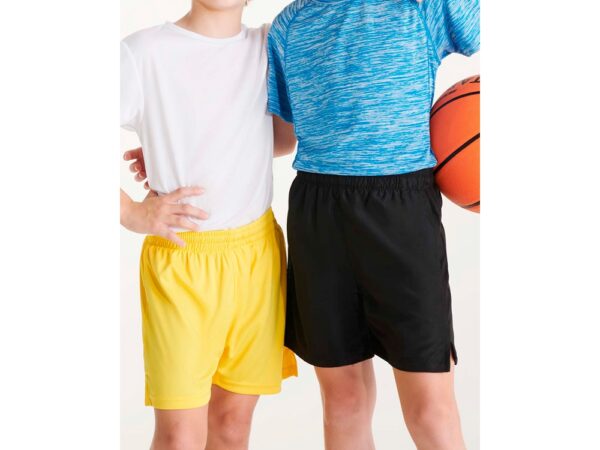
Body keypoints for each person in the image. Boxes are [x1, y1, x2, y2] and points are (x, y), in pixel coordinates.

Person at [266, 0, 480, 448]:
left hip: (402, 210)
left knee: (430, 408)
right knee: (342, 401)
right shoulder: (289, 25)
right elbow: (281, 136)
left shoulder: (422, 7)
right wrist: (181, 156)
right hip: (319, 214)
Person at [119, 0, 297, 448]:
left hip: (256, 258)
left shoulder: (268, 45)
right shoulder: (144, 53)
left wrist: (175, 145)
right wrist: (131, 212)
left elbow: (276, 139)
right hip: (182, 261)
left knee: (233, 424)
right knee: (179, 435)